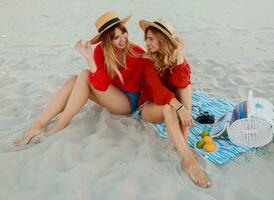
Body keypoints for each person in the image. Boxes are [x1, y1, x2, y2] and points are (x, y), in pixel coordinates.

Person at [13, 11, 145, 145]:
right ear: (107, 40)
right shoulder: (100, 50)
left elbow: (103, 85)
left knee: (84, 75)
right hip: (111, 94)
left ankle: (59, 125)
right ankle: (37, 125)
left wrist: (89, 59)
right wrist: (89, 57)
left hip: (128, 101)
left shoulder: (136, 52)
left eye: (124, 33)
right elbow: (102, 84)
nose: (123, 39)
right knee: (74, 79)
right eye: (116, 37)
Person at [137, 18, 211, 188]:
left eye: (151, 39)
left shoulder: (173, 56)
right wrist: (179, 108)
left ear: (162, 40)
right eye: (146, 38)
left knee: (186, 88)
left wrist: (179, 55)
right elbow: (157, 90)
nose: (147, 43)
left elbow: (181, 83)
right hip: (149, 106)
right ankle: (188, 161)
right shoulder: (146, 59)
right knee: (168, 108)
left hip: (170, 102)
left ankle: (182, 143)